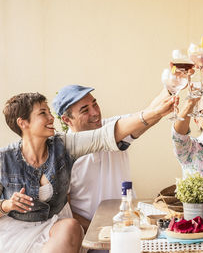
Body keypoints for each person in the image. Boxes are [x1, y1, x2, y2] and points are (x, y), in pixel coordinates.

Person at [0, 91, 174, 253]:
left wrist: (155, 112)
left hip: (56, 227)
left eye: (49, 112)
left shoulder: (64, 145)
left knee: (71, 226)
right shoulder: (3, 159)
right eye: (42, 113)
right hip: (17, 231)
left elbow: (104, 135)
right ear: (23, 123)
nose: (51, 118)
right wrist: (6, 205)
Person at [52, 85, 169, 233]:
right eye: (85, 110)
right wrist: (102, 232)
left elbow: (148, 114)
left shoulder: (110, 127)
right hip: (92, 236)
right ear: (67, 120)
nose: (95, 112)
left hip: (130, 226)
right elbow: (66, 213)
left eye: (95, 104)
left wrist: (171, 86)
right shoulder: (62, 153)